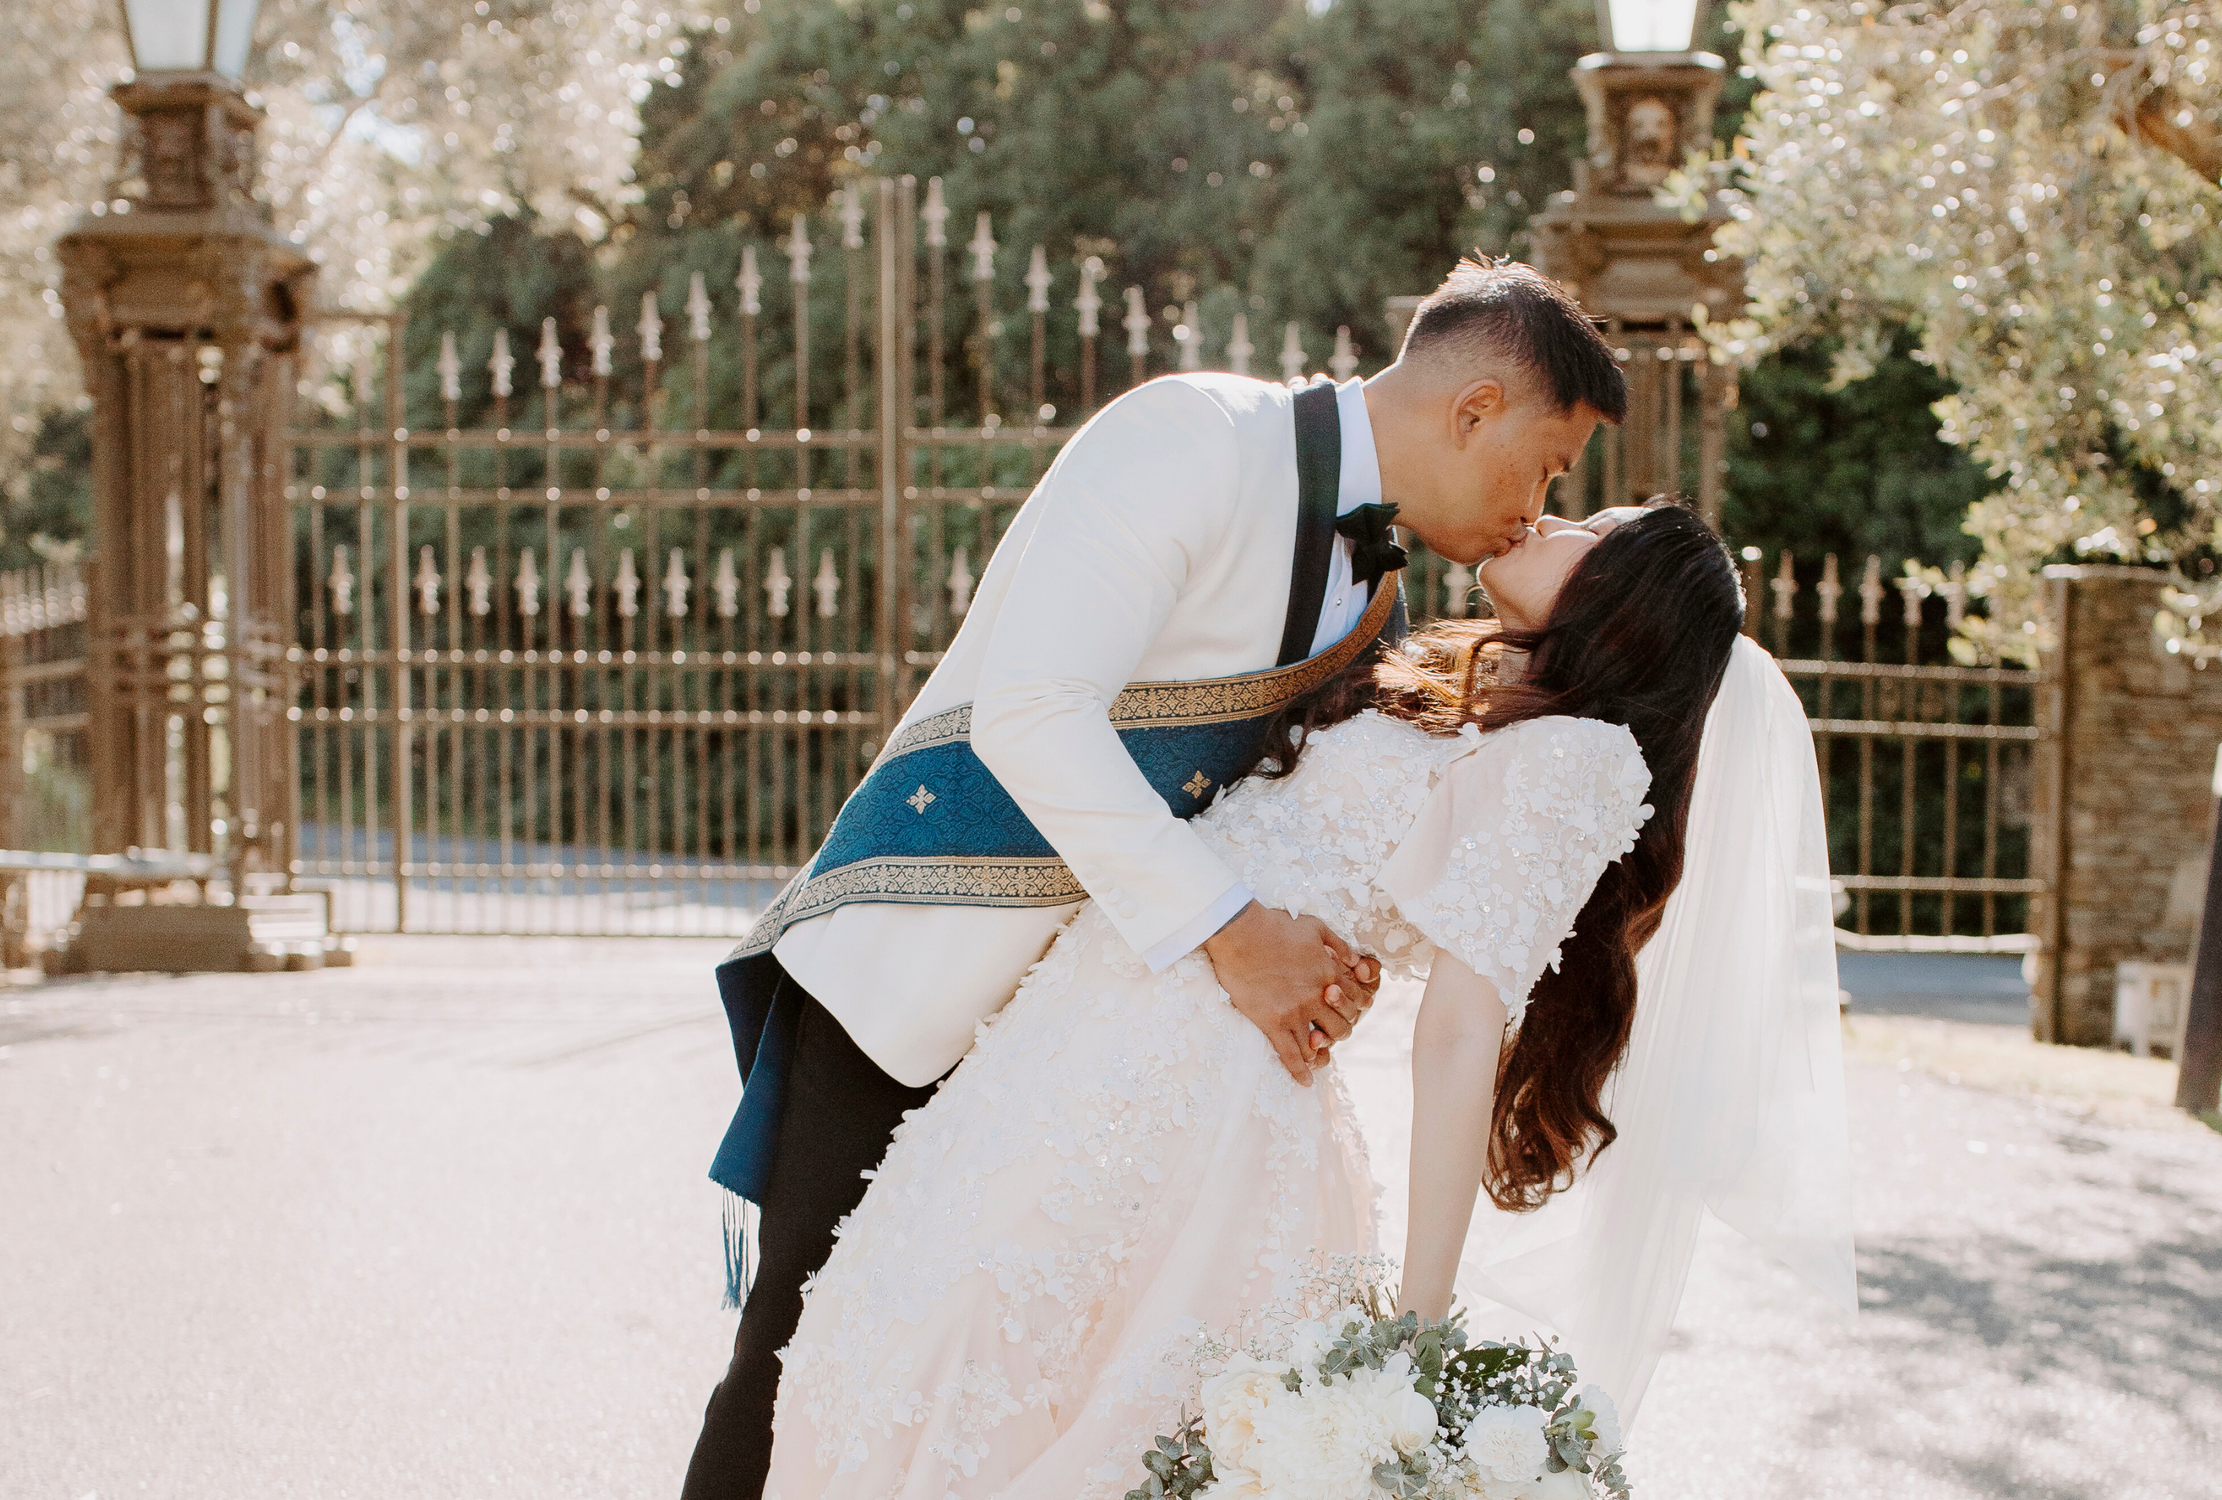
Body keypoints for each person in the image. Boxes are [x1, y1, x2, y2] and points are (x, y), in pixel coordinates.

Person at [680, 258, 1631, 1500]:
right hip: (925, 971)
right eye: (1548, 467)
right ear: (1476, 409)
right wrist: (1234, 930)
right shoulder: (1189, 435)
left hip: (1097, 1061)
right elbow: (1032, 711)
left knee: (1012, 1420)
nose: (1537, 502)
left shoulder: (1379, 597)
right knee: (801, 1376)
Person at [761, 502, 1858, 1499]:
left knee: (996, 1367)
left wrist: (1418, 1325)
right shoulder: (1470, 696)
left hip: (1195, 1083)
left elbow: (1464, 1023)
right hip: (1089, 1023)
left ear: (1629, 598)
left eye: (1593, 525)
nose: (1552, 513)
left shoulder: (1579, 760)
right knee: (899, 1340)